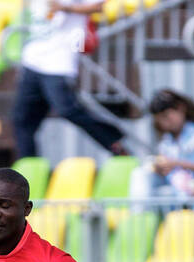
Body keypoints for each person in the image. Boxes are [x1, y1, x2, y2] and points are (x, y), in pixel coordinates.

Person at [11, 0, 127, 159]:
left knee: (68, 110)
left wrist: (66, 8)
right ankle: (26, 169)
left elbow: (99, 6)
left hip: (59, 62)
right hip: (32, 61)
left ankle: (114, 142)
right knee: (22, 119)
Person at [130, 88, 194, 201]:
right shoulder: (167, 141)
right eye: (159, 119)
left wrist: (176, 163)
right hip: (174, 184)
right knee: (140, 173)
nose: (164, 123)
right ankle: (138, 216)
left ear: (181, 108)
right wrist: (160, 168)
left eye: (166, 116)